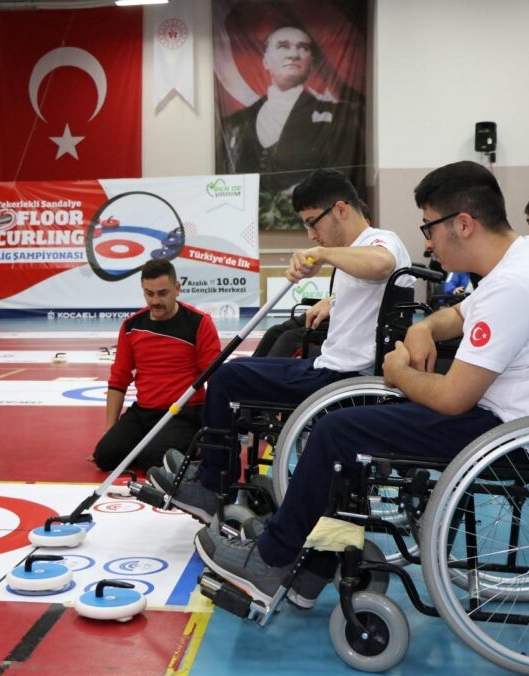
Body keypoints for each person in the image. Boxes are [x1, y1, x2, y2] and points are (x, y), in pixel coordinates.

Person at [191, 161, 529, 607]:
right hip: (510, 419)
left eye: (429, 227)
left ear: (464, 224)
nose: (426, 241)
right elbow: (460, 313)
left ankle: (270, 560)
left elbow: (454, 397)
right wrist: (423, 330)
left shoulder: (516, 284)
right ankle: (311, 569)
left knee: (336, 430)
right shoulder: (524, 263)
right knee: (345, 429)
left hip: (502, 433)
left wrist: (400, 375)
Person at [148, 168, 413, 522]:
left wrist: (321, 253)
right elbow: (370, 288)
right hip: (329, 369)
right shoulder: (355, 251)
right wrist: (331, 301)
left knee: (227, 379)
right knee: (234, 370)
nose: (311, 233)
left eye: (312, 223)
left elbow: (382, 264)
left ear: (340, 209)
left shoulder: (381, 241)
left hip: (339, 378)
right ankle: (215, 470)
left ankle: (211, 485)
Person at [90, 259, 222, 472]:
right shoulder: (131, 326)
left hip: (184, 412)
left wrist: (213, 428)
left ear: (177, 289)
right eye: (149, 294)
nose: (155, 301)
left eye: (162, 293)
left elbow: (215, 378)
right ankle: (155, 444)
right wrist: (109, 430)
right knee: (104, 457)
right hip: (143, 412)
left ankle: (192, 444)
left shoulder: (199, 323)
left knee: (153, 458)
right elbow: (119, 378)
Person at [218, 25, 364, 194]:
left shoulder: (339, 117)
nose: (293, 55)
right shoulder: (235, 123)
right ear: (265, 61)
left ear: (311, 63)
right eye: (283, 46)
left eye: (303, 48)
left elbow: (344, 182)